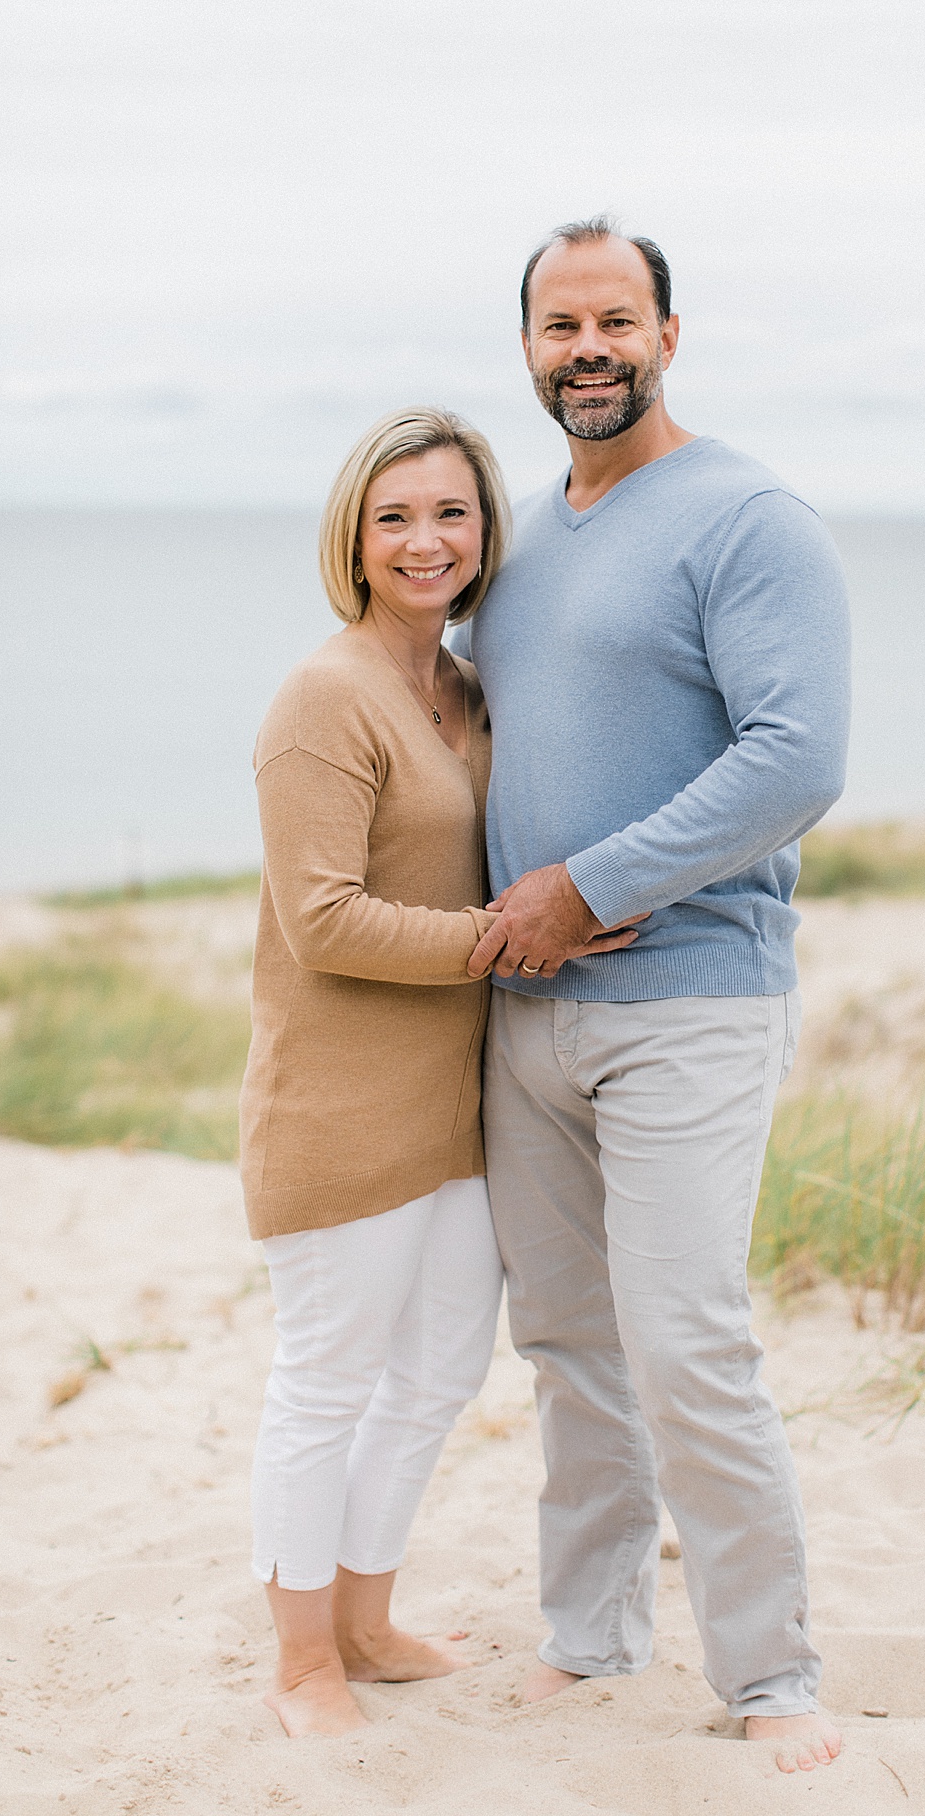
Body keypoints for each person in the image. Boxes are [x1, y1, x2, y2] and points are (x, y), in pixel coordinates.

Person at [455, 218, 851, 1775]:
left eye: (616, 319)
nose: (589, 349)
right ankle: (593, 1632)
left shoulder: (749, 520)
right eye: (561, 327)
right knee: (566, 1341)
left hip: (691, 1002)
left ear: (670, 335)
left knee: (685, 1339)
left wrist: (585, 888)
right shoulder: (524, 535)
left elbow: (796, 761)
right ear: (533, 349)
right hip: (526, 1024)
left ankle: (771, 1674)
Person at [238, 405, 639, 1738]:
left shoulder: (462, 690)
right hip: (337, 1112)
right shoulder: (324, 697)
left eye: (451, 513)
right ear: (354, 532)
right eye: (397, 514)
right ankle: (302, 1661)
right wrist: (509, 938)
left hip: (453, 1114)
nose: (426, 539)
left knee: (436, 1373)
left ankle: (365, 1616)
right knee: (327, 1379)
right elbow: (324, 919)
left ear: (484, 533)